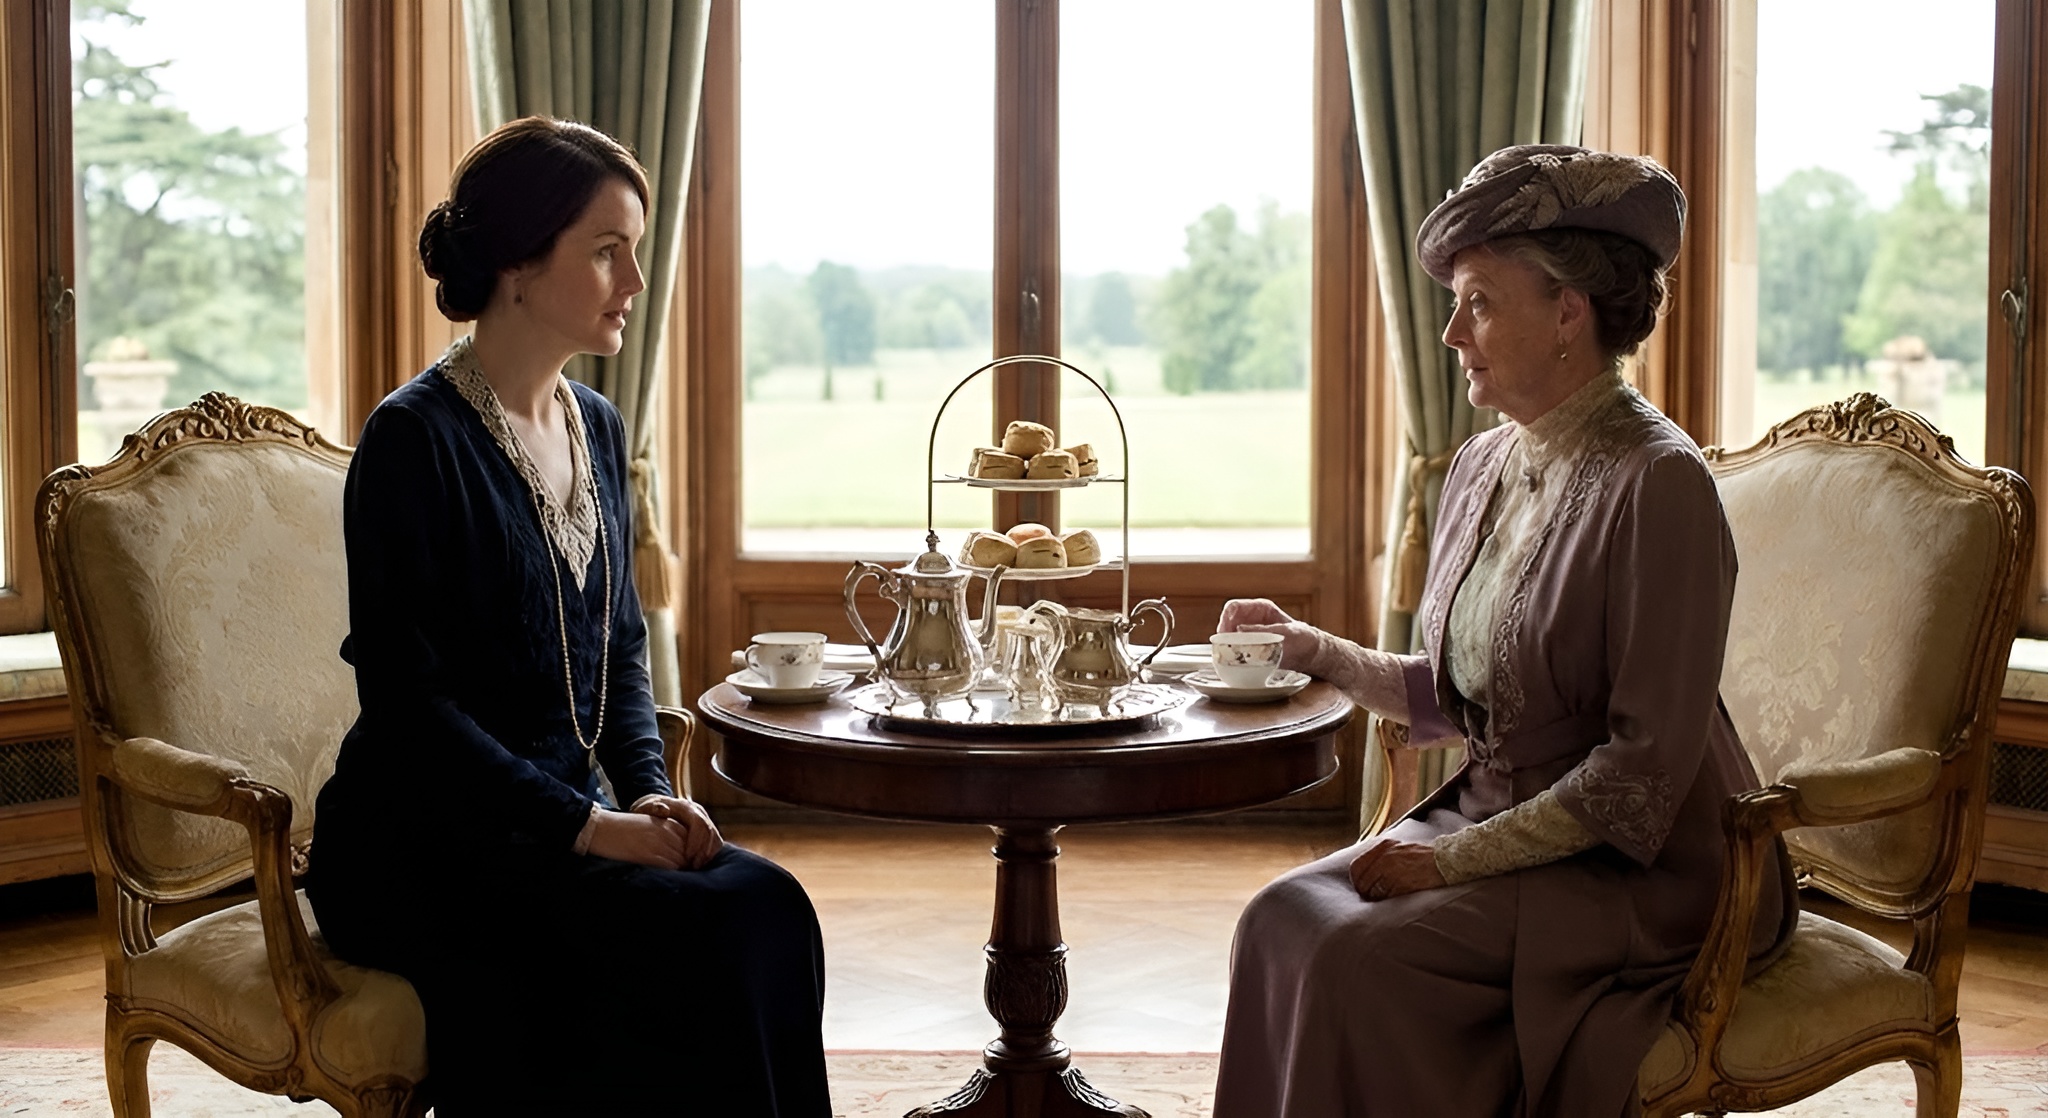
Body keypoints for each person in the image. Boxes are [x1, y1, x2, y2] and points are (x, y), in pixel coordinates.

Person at [1211, 145, 1799, 1117]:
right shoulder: (1481, 465)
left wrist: (1439, 863)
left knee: (1358, 957)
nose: (1449, 332)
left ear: (1567, 312)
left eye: (1478, 301)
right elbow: (1453, 697)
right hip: (1493, 816)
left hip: (1642, 866)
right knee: (1277, 917)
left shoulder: (1659, 484)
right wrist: (1310, 647)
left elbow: (1638, 779)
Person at [307, 117, 832, 1116]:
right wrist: (587, 827)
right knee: (690, 936)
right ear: (516, 261)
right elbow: (408, 707)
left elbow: (621, 650)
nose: (634, 279)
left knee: (768, 903)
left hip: (567, 819)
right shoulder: (413, 439)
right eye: (605, 250)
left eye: (632, 249)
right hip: (419, 845)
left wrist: (645, 792)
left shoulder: (597, 425)